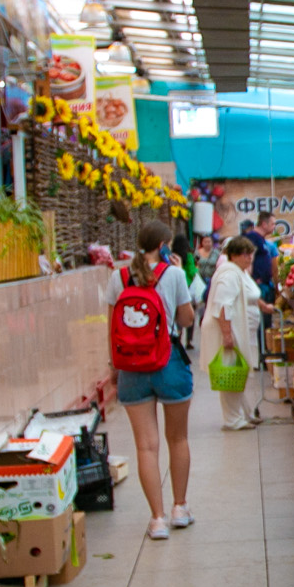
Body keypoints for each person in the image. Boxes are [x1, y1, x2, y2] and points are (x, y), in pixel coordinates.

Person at [104, 220, 196, 540]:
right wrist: (181, 272)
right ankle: (179, 509)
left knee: (146, 446)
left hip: (131, 367)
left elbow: (111, 329)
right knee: (178, 439)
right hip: (168, 360)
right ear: (164, 245)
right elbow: (186, 319)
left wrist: (116, 371)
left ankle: (156, 520)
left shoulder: (118, 277)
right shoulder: (173, 274)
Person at [200, 236, 271, 430]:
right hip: (227, 331)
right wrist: (227, 335)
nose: (249, 258)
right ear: (233, 255)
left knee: (237, 372)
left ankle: (243, 414)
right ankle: (232, 419)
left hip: (235, 329)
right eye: (244, 254)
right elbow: (223, 306)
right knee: (230, 373)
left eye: (250, 253)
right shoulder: (229, 275)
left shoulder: (236, 272)